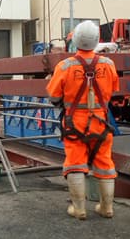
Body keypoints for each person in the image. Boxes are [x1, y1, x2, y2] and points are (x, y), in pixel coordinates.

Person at [46, 20, 119, 220]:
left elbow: (53, 97)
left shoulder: (65, 66)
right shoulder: (108, 64)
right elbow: (113, 91)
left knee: (75, 163)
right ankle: (107, 208)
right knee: (104, 162)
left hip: (74, 123)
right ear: (96, 40)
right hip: (101, 122)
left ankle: (79, 209)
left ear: (75, 40)